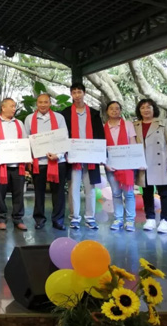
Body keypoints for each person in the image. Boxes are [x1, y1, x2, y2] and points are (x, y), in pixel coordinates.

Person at [60, 83, 105, 230]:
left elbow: (100, 134)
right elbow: (62, 135)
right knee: (73, 187)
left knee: (90, 188)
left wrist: (101, 154)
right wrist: (64, 152)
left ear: (84, 93)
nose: (77, 95)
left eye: (79, 92)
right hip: (73, 156)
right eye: (74, 92)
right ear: (71, 95)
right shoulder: (65, 113)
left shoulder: (94, 113)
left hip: (91, 156)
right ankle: (74, 218)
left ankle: (90, 218)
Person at [24, 94, 68, 230]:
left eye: (46, 102)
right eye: (40, 102)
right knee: (39, 192)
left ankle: (58, 220)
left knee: (58, 192)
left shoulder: (59, 118)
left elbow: (64, 138)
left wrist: (58, 155)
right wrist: (29, 158)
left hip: (57, 161)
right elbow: (26, 140)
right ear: (36, 103)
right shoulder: (29, 118)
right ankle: (39, 220)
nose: (43, 105)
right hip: (38, 163)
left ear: (50, 103)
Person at [133, 98, 167, 234]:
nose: (145, 110)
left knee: (164, 193)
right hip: (143, 164)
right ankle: (150, 218)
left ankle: (165, 220)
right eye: (142, 107)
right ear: (139, 110)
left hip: (161, 163)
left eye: (148, 107)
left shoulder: (163, 123)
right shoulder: (135, 125)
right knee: (147, 193)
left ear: (154, 109)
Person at [0, 98, 28, 231]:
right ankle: (1, 218)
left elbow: (25, 141)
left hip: (18, 165)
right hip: (1, 166)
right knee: (0, 194)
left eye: (14, 106)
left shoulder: (19, 123)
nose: (14, 109)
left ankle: (18, 219)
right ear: (3, 107)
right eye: (11, 106)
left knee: (19, 193)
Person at [104, 101, 137, 232]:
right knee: (116, 193)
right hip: (111, 166)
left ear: (120, 111)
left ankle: (130, 220)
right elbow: (101, 149)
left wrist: (134, 162)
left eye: (117, 108)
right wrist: (105, 164)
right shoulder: (103, 127)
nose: (114, 111)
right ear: (107, 111)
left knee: (129, 194)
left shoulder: (128, 125)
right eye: (111, 108)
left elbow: (133, 144)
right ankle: (118, 219)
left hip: (127, 165)